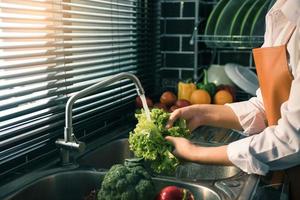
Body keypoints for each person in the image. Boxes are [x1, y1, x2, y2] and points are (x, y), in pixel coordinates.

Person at [165, 0, 300, 199]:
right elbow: (267, 107)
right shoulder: (278, 13)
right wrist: (201, 114)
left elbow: (291, 139)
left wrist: (194, 152)